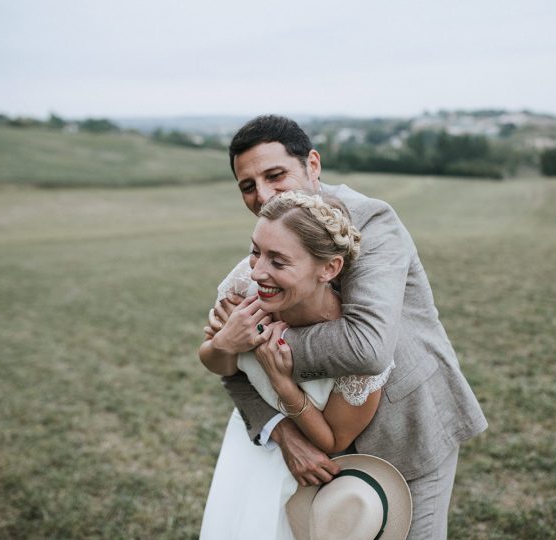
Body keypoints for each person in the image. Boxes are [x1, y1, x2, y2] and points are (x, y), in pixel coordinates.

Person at [202, 115, 487, 539]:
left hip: (406, 428)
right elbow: (228, 359)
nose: (262, 196)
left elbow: (367, 346)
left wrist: (258, 343)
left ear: (312, 165)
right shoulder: (267, 244)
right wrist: (279, 430)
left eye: (275, 175)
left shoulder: (372, 222)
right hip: (313, 441)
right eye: (248, 185)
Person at [199, 191, 396, 538]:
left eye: (278, 261)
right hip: (249, 447)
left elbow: (333, 440)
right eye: (255, 252)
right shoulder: (244, 289)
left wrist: (283, 383)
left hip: (309, 479)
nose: (258, 272)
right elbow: (216, 363)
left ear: (329, 268)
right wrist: (225, 343)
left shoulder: (358, 350)